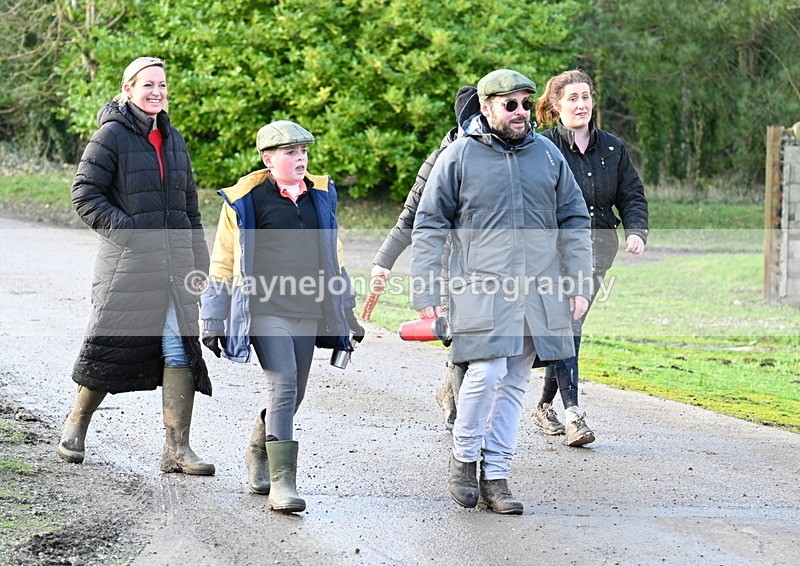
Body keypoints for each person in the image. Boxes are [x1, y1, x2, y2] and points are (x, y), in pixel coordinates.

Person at [411, 69, 592, 514]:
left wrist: (579, 281)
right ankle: (464, 457)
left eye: (525, 104)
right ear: (487, 106)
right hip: (479, 285)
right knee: (486, 372)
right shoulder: (458, 156)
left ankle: (497, 475)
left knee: (513, 383)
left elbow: (574, 218)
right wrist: (426, 288)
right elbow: (430, 222)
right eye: (509, 104)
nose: (520, 112)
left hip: (540, 289)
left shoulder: (547, 154)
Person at [58, 57, 214, 475]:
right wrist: (133, 235)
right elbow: (85, 195)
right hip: (128, 265)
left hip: (175, 266)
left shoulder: (174, 139)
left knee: (179, 345)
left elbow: (189, 207)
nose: (157, 92)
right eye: (148, 85)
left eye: (162, 85)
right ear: (127, 89)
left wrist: (200, 261)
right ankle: (76, 424)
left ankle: (176, 449)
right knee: (112, 345)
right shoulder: (110, 135)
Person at [200, 120, 363, 514]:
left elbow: (333, 257)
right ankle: (282, 484)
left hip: (307, 309)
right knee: (284, 384)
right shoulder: (245, 201)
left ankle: (259, 448)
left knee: (295, 393)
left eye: (303, 151)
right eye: (290, 153)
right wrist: (212, 317)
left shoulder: (320, 196)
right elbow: (223, 261)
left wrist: (347, 312)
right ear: (268, 159)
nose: (300, 158)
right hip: (263, 309)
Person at [531, 69, 649, 446]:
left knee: (567, 327)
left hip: (597, 254)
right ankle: (573, 415)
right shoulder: (541, 147)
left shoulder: (613, 147)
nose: (581, 104)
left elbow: (631, 194)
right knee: (568, 327)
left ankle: (546, 405)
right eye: (572, 98)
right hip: (553, 255)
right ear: (555, 104)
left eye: (586, 97)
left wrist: (636, 230)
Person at [369, 85, 480, 431]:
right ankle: (466, 424)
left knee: (482, 342)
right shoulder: (440, 159)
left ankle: (451, 392)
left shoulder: (503, 154)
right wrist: (384, 261)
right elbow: (410, 216)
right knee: (462, 338)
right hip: (450, 263)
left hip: (493, 266)